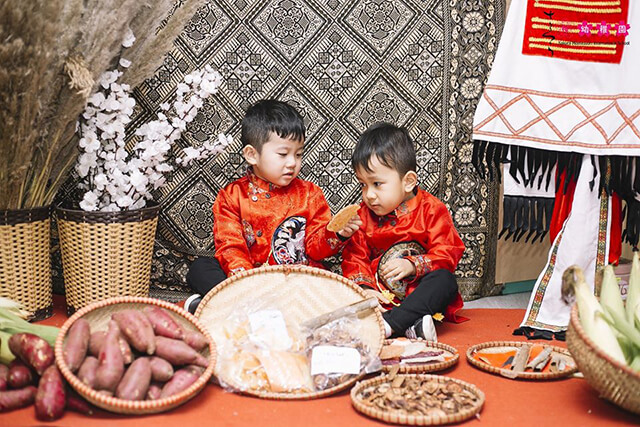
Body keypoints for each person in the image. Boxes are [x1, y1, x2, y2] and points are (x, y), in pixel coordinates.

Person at [185, 100, 362, 313]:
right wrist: (250, 283)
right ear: (252, 155)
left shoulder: (310, 194)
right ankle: (248, 304)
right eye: (283, 154)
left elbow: (316, 250)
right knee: (201, 268)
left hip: (297, 279)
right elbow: (231, 247)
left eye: (298, 154)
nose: (292, 162)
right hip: (250, 282)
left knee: (328, 282)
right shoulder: (232, 196)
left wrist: (338, 233)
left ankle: (223, 306)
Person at [341, 122, 466, 340]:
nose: (369, 194)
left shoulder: (431, 210)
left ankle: (390, 325)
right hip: (381, 298)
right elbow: (355, 257)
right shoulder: (362, 216)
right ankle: (410, 327)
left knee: (445, 281)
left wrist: (413, 265)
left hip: (421, 297)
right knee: (340, 292)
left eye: (377, 184)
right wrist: (365, 289)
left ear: (408, 182)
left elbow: (448, 252)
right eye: (363, 184)